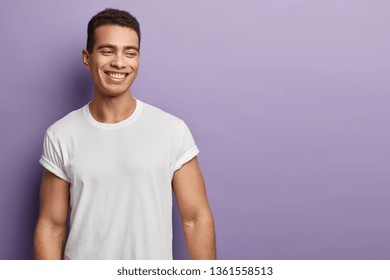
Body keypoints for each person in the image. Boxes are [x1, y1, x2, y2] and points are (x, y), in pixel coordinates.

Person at [33, 8, 216, 260]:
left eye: (130, 53)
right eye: (107, 51)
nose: (119, 62)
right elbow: (51, 227)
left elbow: (196, 218)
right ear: (87, 58)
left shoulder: (172, 130)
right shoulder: (61, 135)